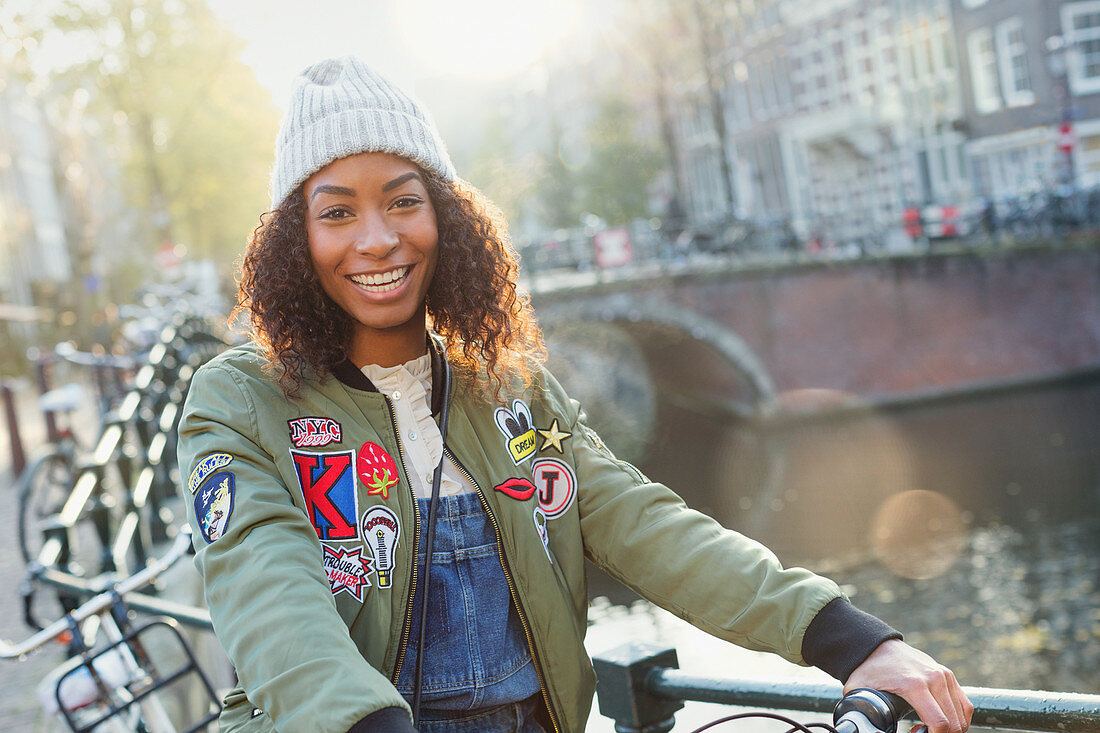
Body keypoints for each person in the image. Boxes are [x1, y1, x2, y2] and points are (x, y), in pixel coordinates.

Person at [178, 57, 973, 733]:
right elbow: (270, 595)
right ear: (296, 241)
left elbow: (644, 523)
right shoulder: (240, 401)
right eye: (337, 212)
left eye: (403, 199)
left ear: (446, 218)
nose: (378, 237)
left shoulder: (508, 385)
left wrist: (846, 636)